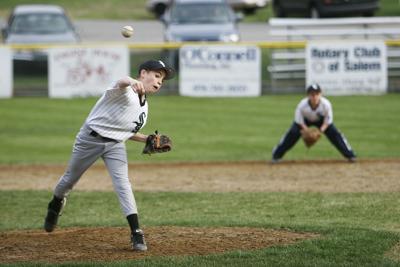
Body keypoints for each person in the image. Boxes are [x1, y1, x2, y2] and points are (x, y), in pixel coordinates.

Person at [43, 60, 175, 252]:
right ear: (143, 73)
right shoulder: (125, 91)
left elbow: (124, 131)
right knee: (69, 180)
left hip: (115, 144)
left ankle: (136, 232)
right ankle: (56, 202)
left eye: (161, 78)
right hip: (90, 140)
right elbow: (120, 82)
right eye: (156, 75)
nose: (159, 81)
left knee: (123, 184)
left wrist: (147, 138)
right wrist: (131, 81)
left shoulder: (144, 107)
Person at [272, 83, 356, 163]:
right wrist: (307, 131)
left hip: (322, 122)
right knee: (292, 133)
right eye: (312, 94)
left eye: (317, 94)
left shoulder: (326, 104)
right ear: (308, 95)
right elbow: (299, 121)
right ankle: (276, 155)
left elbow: (327, 121)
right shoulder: (302, 105)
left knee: (335, 134)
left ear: (320, 94)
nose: (314, 96)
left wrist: (319, 131)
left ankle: (350, 155)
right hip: (304, 121)